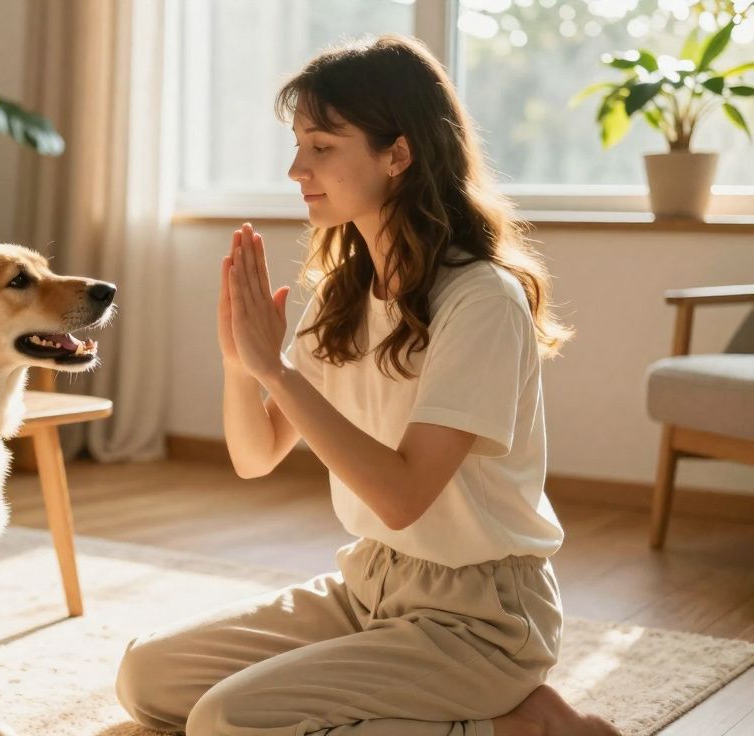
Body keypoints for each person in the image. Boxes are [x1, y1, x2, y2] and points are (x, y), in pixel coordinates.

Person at [114, 34, 621, 736]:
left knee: (226, 723)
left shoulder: (481, 301)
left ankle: (521, 725)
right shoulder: (344, 294)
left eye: (322, 146)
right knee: (147, 679)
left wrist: (277, 371)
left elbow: (403, 494)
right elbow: (255, 456)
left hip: (481, 619)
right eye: (298, 144)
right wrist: (241, 364)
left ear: (398, 154)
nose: (297, 167)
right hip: (372, 584)